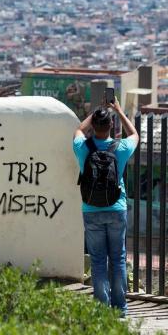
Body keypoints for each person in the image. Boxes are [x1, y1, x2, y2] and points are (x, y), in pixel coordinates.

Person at [73, 97, 139, 317]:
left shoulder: (83, 147)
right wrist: (118, 110)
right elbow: (135, 135)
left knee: (98, 260)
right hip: (116, 207)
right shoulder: (119, 148)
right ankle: (120, 309)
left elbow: (78, 130)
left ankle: (102, 308)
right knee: (118, 258)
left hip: (91, 210)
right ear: (111, 126)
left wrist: (94, 114)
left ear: (95, 125)